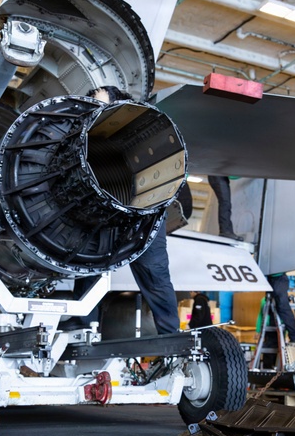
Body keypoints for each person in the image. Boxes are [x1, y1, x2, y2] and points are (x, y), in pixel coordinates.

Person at [86, 86, 183, 334]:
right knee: (88, 263)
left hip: (144, 214)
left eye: (104, 107)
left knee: (155, 274)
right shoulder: (84, 136)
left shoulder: (139, 134)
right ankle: (83, 328)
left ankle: (170, 336)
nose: (97, 113)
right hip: (102, 212)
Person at [267, 273, 295, 344]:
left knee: (282, 307)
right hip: (270, 279)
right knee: (271, 310)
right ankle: (273, 343)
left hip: (278, 278)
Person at [207, 175, 243, 240]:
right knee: (225, 203)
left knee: (226, 203)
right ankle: (225, 231)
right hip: (217, 177)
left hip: (219, 177)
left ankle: (227, 231)